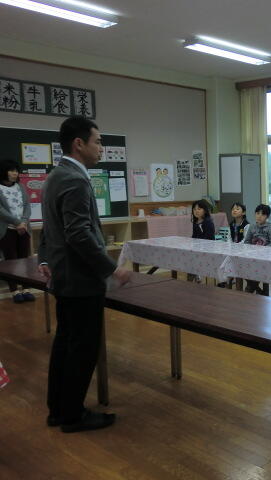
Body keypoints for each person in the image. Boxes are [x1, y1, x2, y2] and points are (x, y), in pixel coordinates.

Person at [38, 116, 131, 433]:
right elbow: (78, 234)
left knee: (65, 343)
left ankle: (58, 410)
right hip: (81, 280)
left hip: (64, 277)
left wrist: (43, 257)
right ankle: (73, 415)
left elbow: (49, 227)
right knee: (82, 348)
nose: (102, 147)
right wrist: (112, 267)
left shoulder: (55, 176)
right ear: (79, 144)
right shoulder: (75, 180)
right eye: (98, 141)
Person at [0, 159, 34, 303]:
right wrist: (17, 222)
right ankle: (14, 290)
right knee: (11, 261)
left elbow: (27, 206)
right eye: (12, 170)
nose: (15, 173)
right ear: (4, 172)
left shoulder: (21, 187)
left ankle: (26, 288)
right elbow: (0, 210)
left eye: (16, 171)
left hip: (24, 228)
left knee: (24, 259)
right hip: (7, 229)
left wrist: (23, 222)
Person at [243, 204, 271, 296]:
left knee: (252, 283)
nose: (259, 216)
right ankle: (258, 290)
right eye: (257, 213)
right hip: (252, 256)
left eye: (263, 214)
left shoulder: (270, 228)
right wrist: (251, 251)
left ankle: (252, 290)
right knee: (242, 269)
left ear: (267, 216)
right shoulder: (252, 226)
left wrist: (262, 250)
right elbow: (247, 241)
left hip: (265, 258)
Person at [217, 202, 249, 288]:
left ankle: (238, 289)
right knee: (226, 264)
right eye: (233, 209)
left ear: (243, 212)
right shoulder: (231, 224)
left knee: (238, 273)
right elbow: (229, 237)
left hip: (242, 251)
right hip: (232, 250)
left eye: (237, 209)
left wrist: (236, 247)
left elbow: (245, 240)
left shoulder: (246, 225)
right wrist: (230, 246)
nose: (234, 210)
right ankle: (226, 284)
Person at [188, 200, 215, 283]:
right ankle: (194, 276)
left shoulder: (208, 222)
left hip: (208, 248)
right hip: (199, 247)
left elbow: (208, 238)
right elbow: (194, 236)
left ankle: (197, 275)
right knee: (189, 256)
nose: (196, 211)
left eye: (199, 209)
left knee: (194, 259)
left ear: (205, 210)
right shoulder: (195, 222)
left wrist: (199, 246)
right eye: (194, 209)